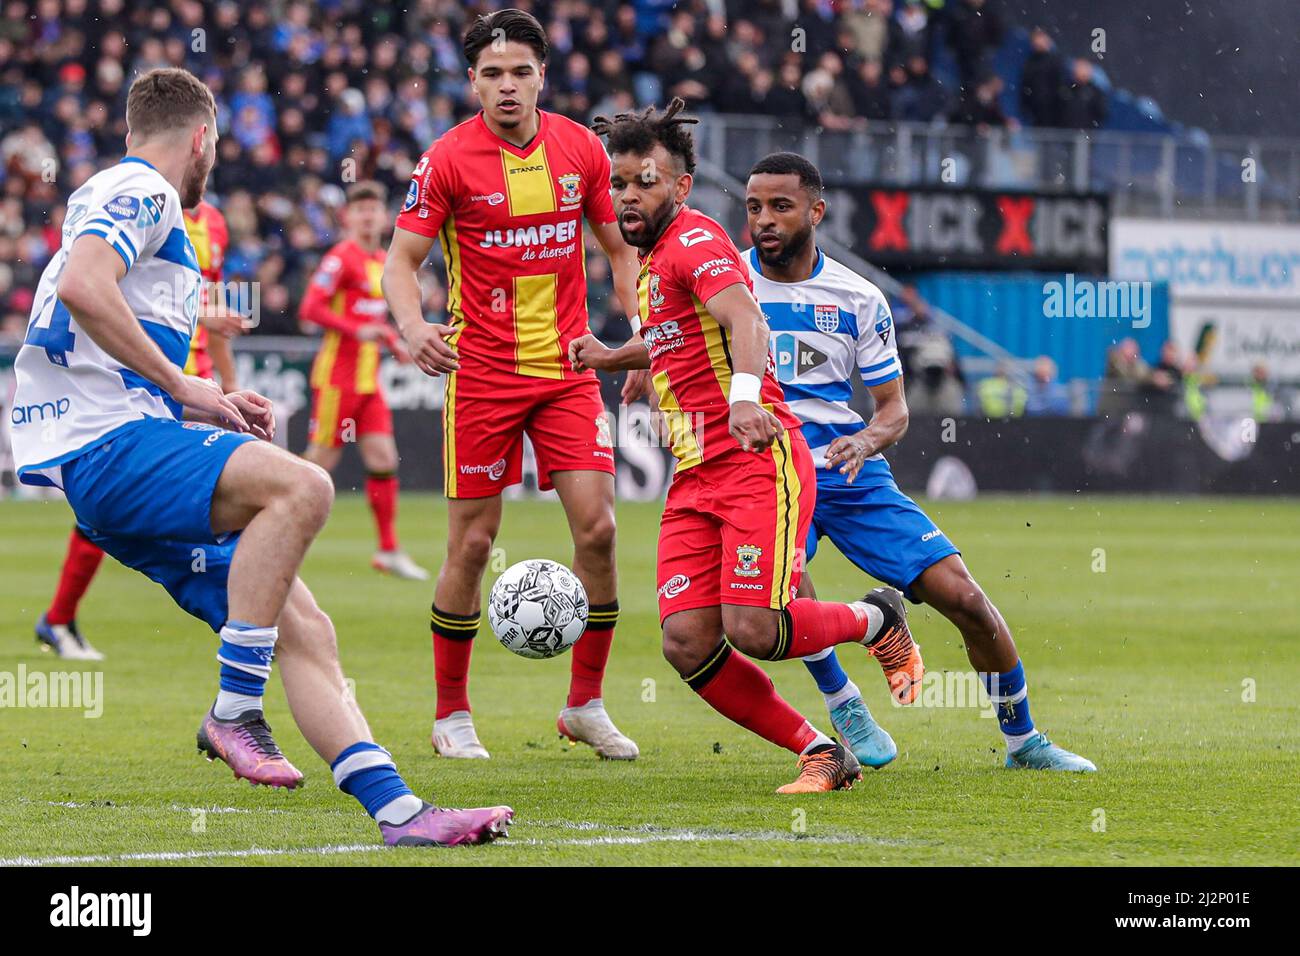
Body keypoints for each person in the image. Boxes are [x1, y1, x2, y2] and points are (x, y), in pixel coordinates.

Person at [10, 67, 512, 846]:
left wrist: (202, 392)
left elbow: (92, 328)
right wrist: (187, 383)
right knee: (306, 487)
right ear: (202, 136)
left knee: (305, 626)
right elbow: (82, 286)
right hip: (107, 446)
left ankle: (402, 814)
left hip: (110, 453)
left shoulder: (119, 198)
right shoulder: (141, 188)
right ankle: (234, 709)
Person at [570, 101, 925, 793]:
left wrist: (740, 399)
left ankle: (875, 617)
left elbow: (744, 320)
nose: (628, 195)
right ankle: (822, 751)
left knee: (756, 628)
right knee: (687, 642)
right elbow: (679, 332)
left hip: (758, 457)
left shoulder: (697, 241)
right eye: (619, 184)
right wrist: (616, 358)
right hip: (697, 472)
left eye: (646, 181)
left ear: (681, 188)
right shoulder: (654, 261)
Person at [741, 151, 1095, 772]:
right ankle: (843, 700)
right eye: (753, 208)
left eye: (780, 206)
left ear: (816, 211)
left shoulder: (858, 298)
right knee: (781, 587)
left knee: (963, 596)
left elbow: (893, 410)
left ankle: (1024, 741)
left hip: (848, 471)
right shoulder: (727, 284)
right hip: (767, 472)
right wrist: (618, 361)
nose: (764, 220)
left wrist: (868, 442)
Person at [382, 9, 644, 760]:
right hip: (483, 377)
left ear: (542, 77)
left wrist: (639, 338)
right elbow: (401, 263)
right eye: (492, 74)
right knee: (472, 544)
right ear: (472, 81)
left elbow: (620, 253)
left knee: (597, 529)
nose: (506, 86)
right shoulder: (445, 161)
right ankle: (451, 715)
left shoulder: (581, 149)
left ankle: (586, 704)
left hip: (568, 371)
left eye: (520, 72)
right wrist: (412, 326)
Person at [33, 194, 243, 660]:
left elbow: (215, 314)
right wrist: (208, 313)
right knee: (119, 501)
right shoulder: (139, 208)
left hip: (197, 380)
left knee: (242, 495)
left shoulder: (214, 223)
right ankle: (60, 617)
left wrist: (229, 386)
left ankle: (245, 624)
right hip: (146, 378)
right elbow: (113, 295)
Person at [299, 180, 428, 581]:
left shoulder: (380, 260)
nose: (369, 215)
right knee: (318, 466)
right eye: (361, 209)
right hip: (338, 380)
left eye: (374, 208)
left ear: (385, 216)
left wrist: (395, 341)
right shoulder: (342, 258)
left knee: (384, 459)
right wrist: (357, 331)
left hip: (368, 381)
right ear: (347, 217)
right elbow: (311, 308)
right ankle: (269, 530)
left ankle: (388, 550)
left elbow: (372, 320)